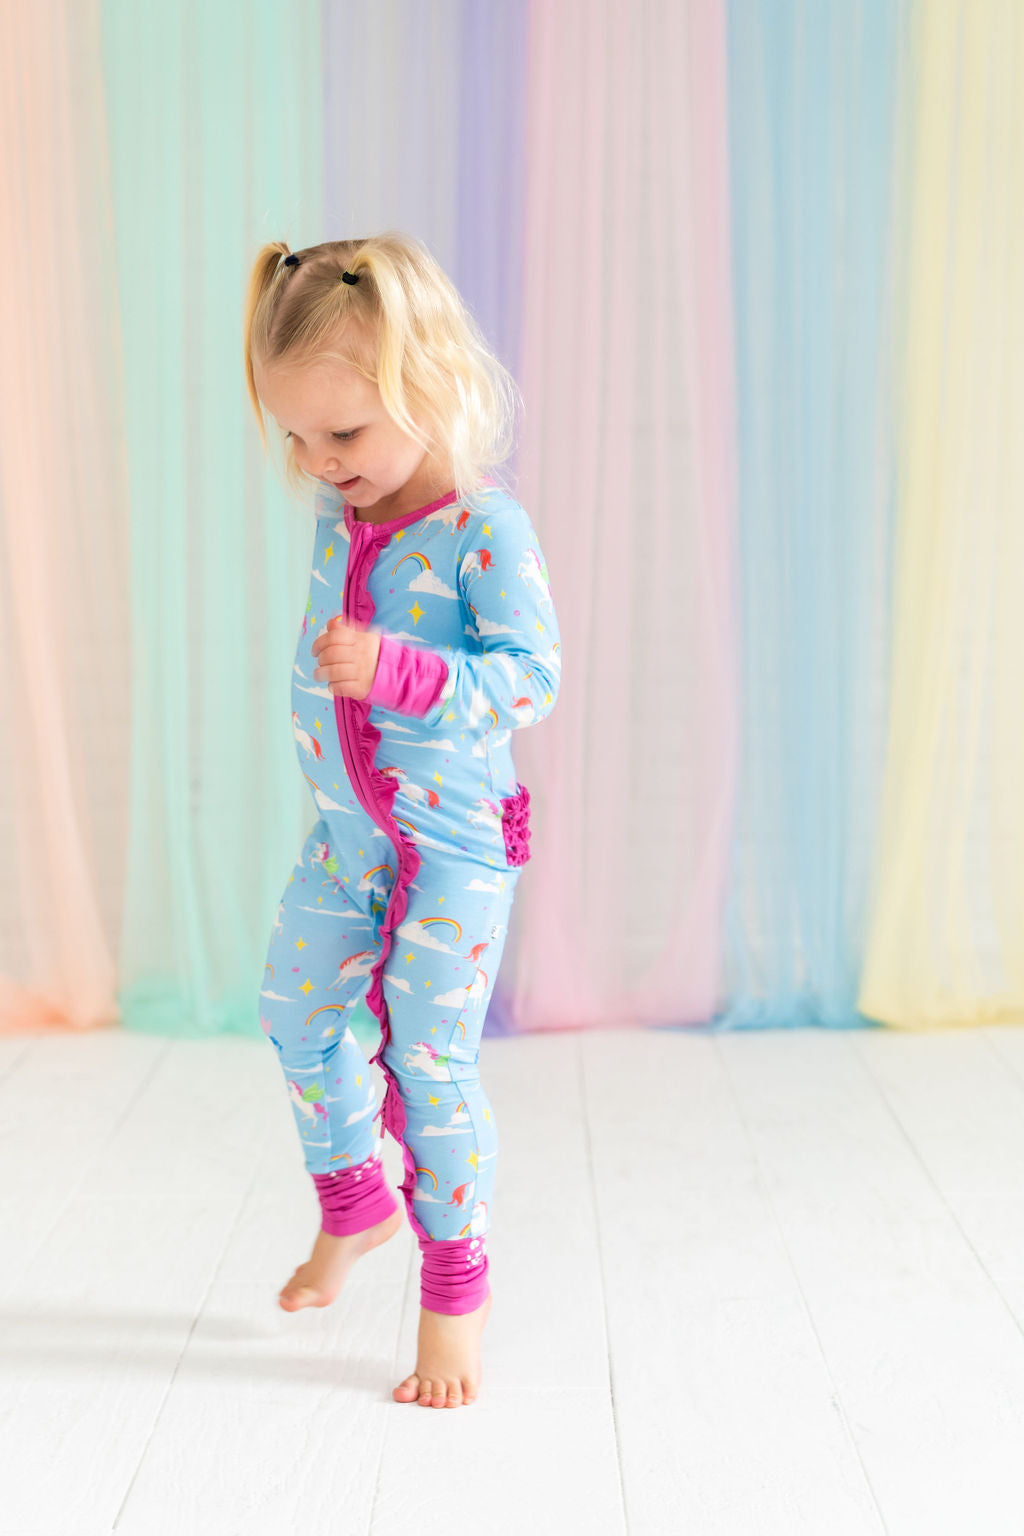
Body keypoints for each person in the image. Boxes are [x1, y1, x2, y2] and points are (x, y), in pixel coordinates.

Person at [242, 232, 561, 1408]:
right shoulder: (347, 510)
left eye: (342, 434)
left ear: (428, 384)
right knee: (292, 1011)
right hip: (348, 846)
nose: (319, 464)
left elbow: (531, 678)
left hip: (453, 853)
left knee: (429, 1063)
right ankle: (353, 1205)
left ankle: (454, 1297)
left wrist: (400, 672)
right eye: (297, 438)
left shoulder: (484, 532)